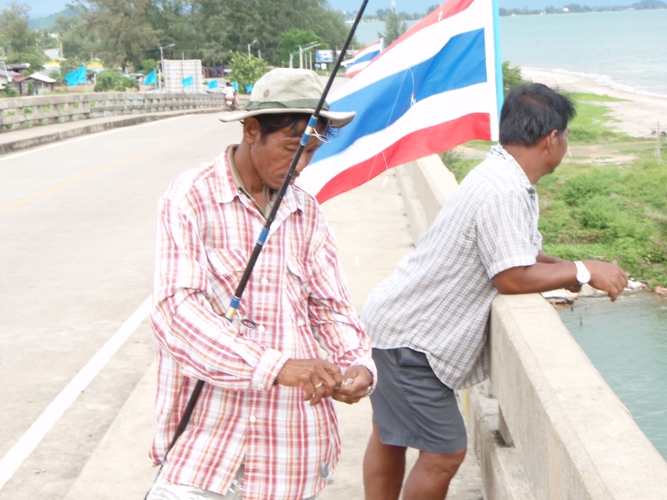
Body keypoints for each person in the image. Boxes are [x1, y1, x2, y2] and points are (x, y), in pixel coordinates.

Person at [361, 83, 629, 500]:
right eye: (567, 136)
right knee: (445, 453)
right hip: (411, 341)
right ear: (552, 139)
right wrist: (581, 269)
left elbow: (521, 253)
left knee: (389, 434)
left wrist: (576, 269)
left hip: (395, 323)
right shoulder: (504, 188)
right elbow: (512, 277)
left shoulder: (501, 174)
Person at [147, 68, 376, 500]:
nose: (301, 166)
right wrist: (277, 367)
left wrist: (358, 364)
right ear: (252, 130)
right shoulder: (190, 198)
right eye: (292, 149)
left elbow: (331, 308)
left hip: (290, 458)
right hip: (203, 457)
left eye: (310, 152)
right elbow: (175, 313)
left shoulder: (306, 212)